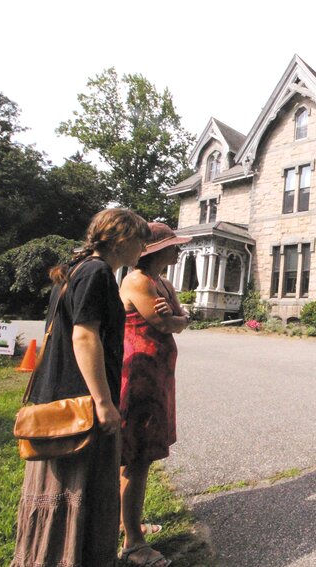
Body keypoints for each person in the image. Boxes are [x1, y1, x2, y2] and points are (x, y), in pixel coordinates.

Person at [12, 208, 151, 567]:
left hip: (58, 395)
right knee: (78, 487)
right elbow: (85, 336)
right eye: (140, 239)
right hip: (79, 402)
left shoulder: (75, 270)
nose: (143, 248)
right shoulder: (97, 272)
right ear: (121, 239)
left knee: (60, 490)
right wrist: (104, 402)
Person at [118, 222, 192, 567]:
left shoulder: (163, 283)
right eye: (174, 245)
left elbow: (181, 318)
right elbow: (165, 323)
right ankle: (133, 542)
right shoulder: (137, 281)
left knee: (141, 455)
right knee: (137, 457)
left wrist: (180, 316)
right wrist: (178, 318)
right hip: (139, 377)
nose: (179, 250)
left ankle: (127, 523)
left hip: (158, 376)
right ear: (156, 250)